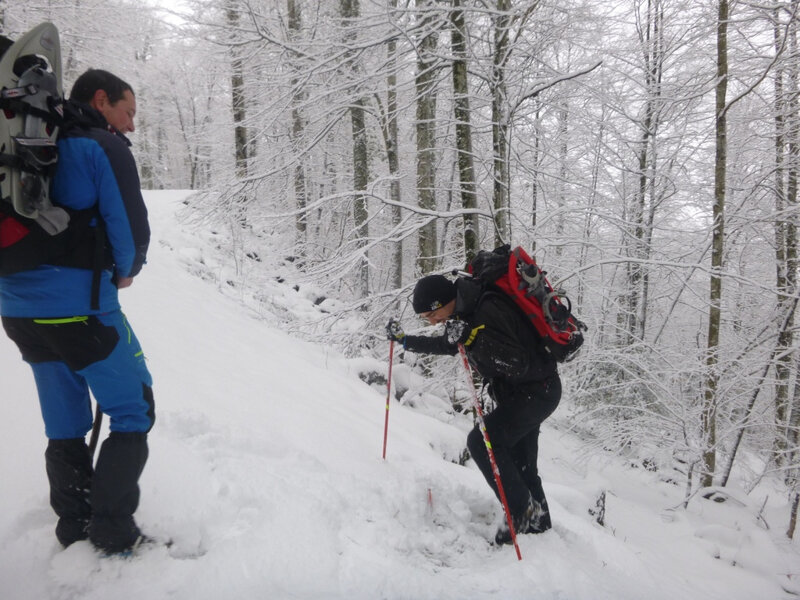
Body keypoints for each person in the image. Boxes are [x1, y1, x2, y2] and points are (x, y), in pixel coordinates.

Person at [0, 69, 153, 554]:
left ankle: (73, 526)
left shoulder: (23, 142)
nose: (130, 125)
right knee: (133, 410)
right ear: (101, 99)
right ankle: (111, 532)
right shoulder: (98, 146)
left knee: (64, 421)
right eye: (127, 112)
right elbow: (128, 228)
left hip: (17, 312)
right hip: (82, 312)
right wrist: (128, 269)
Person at [386, 273, 561, 545]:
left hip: (537, 392)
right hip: (521, 393)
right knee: (522, 465)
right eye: (425, 319)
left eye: (431, 314)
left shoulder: (487, 308)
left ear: (443, 301)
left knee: (481, 441)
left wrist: (472, 340)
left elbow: (516, 362)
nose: (432, 322)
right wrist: (406, 341)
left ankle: (520, 512)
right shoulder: (464, 311)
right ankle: (540, 531)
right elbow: (449, 344)